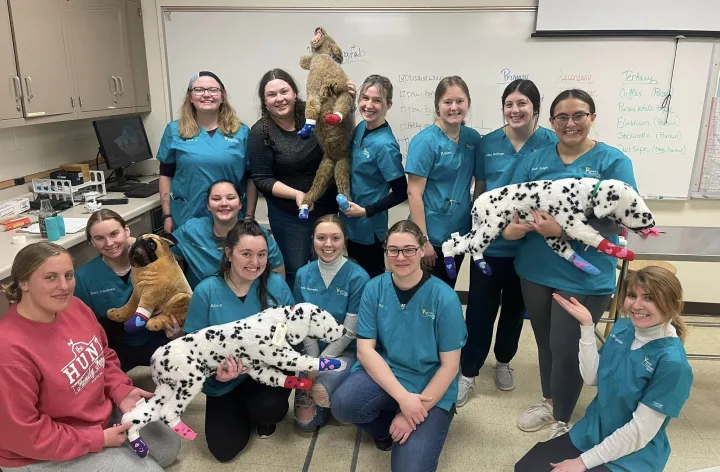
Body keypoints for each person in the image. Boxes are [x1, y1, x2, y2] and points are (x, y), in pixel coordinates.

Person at [504, 89, 638, 440]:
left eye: (579, 115)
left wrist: (561, 228)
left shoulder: (613, 162)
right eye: (562, 117)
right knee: (547, 343)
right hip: (535, 270)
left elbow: (621, 219)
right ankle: (550, 401)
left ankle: (563, 420)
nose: (570, 123)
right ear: (551, 123)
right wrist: (512, 227)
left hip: (584, 275)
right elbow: (513, 203)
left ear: (592, 117)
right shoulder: (535, 158)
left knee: (569, 348)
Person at [0, 242, 181, 471]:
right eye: (50, 277)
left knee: (169, 447)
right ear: (23, 282)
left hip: (93, 413)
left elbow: (103, 355)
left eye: (68, 275)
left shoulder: (74, 306)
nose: (64, 286)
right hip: (38, 450)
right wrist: (97, 440)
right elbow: (23, 433)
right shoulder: (8, 349)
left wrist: (120, 390)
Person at [516, 266, 693, 472]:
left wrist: (582, 462)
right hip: (592, 431)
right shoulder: (623, 328)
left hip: (634, 452)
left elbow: (639, 432)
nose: (636, 305)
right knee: (526, 468)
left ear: (673, 304)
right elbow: (592, 378)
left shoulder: (673, 364)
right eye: (632, 295)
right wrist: (587, 327)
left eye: (649, 298)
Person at [331, 220, 467, 472]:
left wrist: (413, 411)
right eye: (393, 250)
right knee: (343, 404)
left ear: (421, 250)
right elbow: (365, 350)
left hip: (430, 387)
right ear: (385, 251)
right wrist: (404, 400)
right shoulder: (375, 288)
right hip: (389, 373)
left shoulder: (444, 298)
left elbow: (450, 367)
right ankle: (387, 428)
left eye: (408, 249)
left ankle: (411, 422)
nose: (400, 256)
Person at [457, 79, 558, 404]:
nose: (515, 110)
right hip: (490, 244)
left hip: (529, 247)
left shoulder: (550, 142)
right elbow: (481, 189)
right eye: (509, 104)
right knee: (479, 312)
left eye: (522, 104)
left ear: (535, 108)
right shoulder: (488, 143)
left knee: (515, 310)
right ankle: (468, 372)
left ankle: (504, 361)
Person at [182, 220, 295, 462]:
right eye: (246, 254)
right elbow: (191, 350)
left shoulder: (275, 285)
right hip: (223, 381)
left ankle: (259, 412)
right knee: (223, 451)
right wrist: (216, 374)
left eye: (262, 254)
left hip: (264, 373)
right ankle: (241, 409)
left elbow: (290, 332)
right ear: (229, 254)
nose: (255, 263)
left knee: (270, 410)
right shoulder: (207, 291)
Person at [249, 69, 355, 290]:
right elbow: (262, 178)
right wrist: (298, 195)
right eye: (271, 95)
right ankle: (295, 316)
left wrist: (349, 100)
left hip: (325, 209)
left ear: (295, 92)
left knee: (326, 269)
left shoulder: (315, 114)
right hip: (288, 214)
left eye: (284, 91)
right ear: (264, 101)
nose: (279, 99)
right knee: (294, 272)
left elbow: (341, 130)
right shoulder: (261, 132)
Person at [293, 215, 370, 431]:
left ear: (345, 240)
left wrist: (319, 363)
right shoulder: (302, 275)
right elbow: (301, 323)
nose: (328, 244)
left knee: (321, 390)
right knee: (305, 424)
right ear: (313, 240)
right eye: (321, 238)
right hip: (310, 351)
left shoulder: (358, 277)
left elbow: (350, 332)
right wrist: (312, 360)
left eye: (335, 238)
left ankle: (330, 391)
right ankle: (322, 396)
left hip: (344, 351)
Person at [405, 76, 481, 289]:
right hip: (431, 235)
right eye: (447, 102)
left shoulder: (473, 139)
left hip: (459, 234)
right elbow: (414, 194)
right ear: (437, 106)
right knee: (424, 295)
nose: (454, 107)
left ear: (468, 103)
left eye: (460, 101)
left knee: (447, 291)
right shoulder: (425, 142)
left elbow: (478, 182)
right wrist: (423, 240)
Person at [158, 70, 256, 231]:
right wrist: (167, 214)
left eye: (213, 90)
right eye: (198, 90)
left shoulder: (241, 132)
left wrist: (249, 217)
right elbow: (166, 175)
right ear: (190, 97)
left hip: (230, 217)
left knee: (230, 254)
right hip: (186, 215)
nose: (206, 94)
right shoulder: (174, 130)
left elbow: (251, 178)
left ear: (222, 96)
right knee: (187, 255)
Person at [75, 209, 171, 372]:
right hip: (115, 353)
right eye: (99, 238)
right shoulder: (83, 278)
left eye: (114, 234)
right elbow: (83, 330)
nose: (109, 243)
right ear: (91, 241)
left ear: (126, 231)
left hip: (160, 342)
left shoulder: (154, 263)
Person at [340, 75, 407, 278]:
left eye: (377, 100)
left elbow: (401, 192)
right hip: (349, 224)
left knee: (370, 282)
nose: (369, 105)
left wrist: (367, 211)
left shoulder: (385, 145)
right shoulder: (361, 128)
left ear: (388, 105)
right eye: (365, 98)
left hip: (369, 229)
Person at [172, 180, 284, 289]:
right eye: (216, 199)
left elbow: (278, 277)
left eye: (230, 198)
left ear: (240, 204)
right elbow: (162, 256)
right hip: (202, 303)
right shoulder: (190, 231)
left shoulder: (258, 235)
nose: (224, 203)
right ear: (208, 205)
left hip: (251, 302)